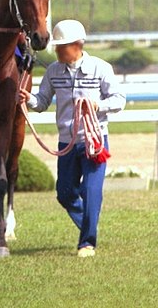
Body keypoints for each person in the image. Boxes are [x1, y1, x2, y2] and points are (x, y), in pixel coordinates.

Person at [19, 19, 126, 257]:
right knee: (65, 192)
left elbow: (119, 100)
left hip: (94, 142)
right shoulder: (53, 71)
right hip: (66, 143)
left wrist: (97, 105)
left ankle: (87, 242)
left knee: (91, 190)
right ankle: (90, 224)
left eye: (61, 46)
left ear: (78, 44)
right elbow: (43, 101)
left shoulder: (101, 68)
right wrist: (29, 99)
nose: (56, 50)